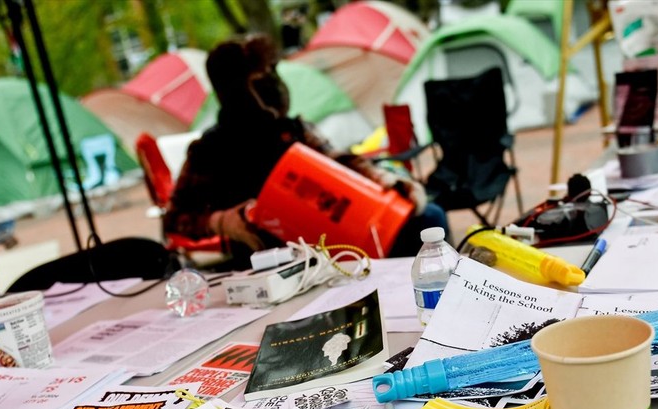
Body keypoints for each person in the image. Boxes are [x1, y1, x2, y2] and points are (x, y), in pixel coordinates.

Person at [163, 33, 448, 266]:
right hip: (265, 262)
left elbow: (339, 162)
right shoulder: (208, 151)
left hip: (333, 238)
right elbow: (175, 220)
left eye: (273, 72)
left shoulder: (293, 131)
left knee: (429, 217)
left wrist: (382, 180)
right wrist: (219, 221)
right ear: (233, 89)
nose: (273, 82)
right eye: (262, 76)